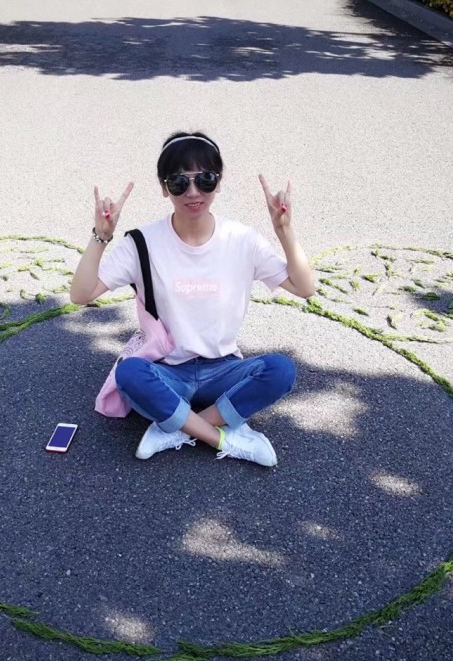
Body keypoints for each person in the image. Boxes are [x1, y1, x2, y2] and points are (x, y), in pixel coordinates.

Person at [69, 131, 315, 467]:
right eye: (179, 182)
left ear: (219, 181)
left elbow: (304, 287)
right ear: (164, 187)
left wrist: (284, 230)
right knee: (130, 373)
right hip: (168, 371)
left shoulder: (242, 240)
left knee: (281, 370)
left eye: (205, 179)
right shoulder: (143, 242)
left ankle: (177, 426)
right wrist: (101, 236)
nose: (194, 192)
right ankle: (222, 437)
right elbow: (81, 294)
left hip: (224, 369)